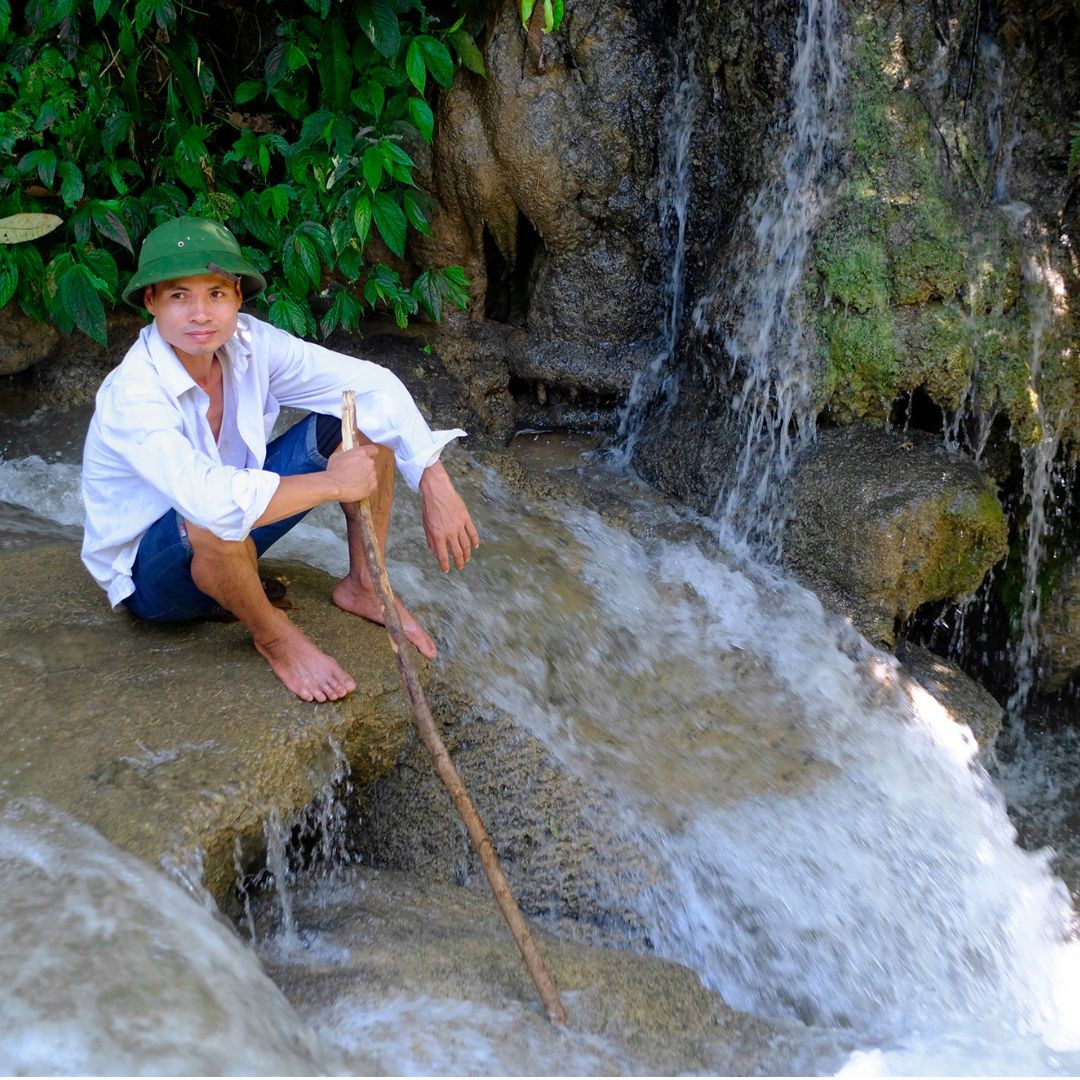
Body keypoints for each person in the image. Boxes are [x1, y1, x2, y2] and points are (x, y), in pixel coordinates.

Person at [81, 216, 479, 703]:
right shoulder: (133, 392)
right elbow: (211, 504)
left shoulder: (250, 344)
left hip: (234, 525)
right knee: (210, 516)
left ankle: (363, 585)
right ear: (151, 303)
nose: (201, 314)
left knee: (356, 422)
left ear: (238, 298)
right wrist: (334, 484)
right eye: (179, 296)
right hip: (158, 574)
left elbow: (372, 386)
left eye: (216, 294)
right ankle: (274, 637)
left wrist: (434, 480)